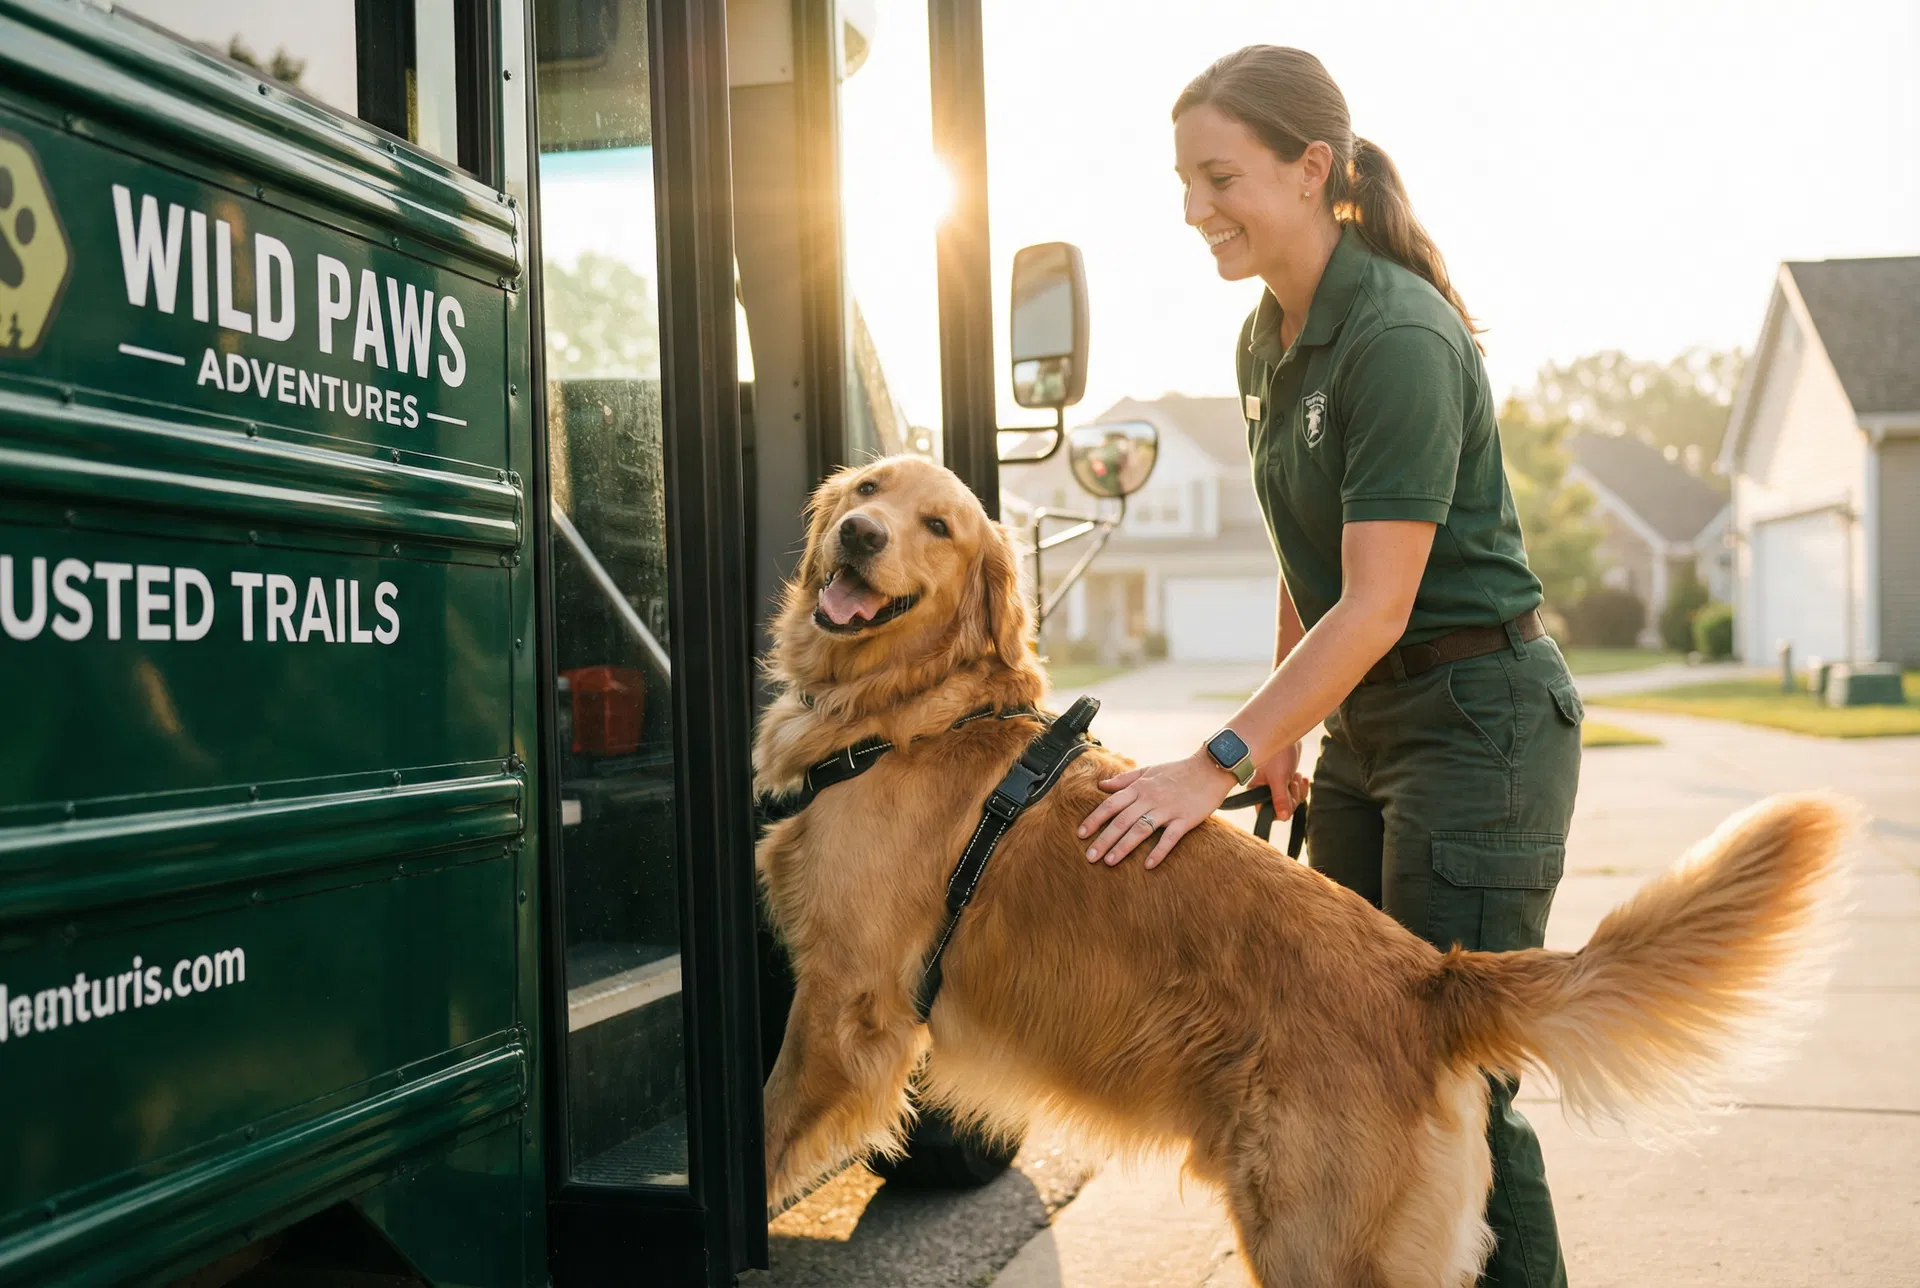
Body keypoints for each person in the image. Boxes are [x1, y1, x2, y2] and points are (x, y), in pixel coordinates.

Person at [1075, 45, 1582, 1288]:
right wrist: (1290, 728)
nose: (1197, 211)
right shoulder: (1268, 339)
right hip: (1368, 726)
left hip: (1481, 727)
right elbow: (1314, 558)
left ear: (1313, 170)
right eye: (1185, 183)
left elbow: (1380, 601)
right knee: (1347, 1064)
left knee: (1451, 1077)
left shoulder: (1399, 335)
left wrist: (1219, 760)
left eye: (1219, 177)